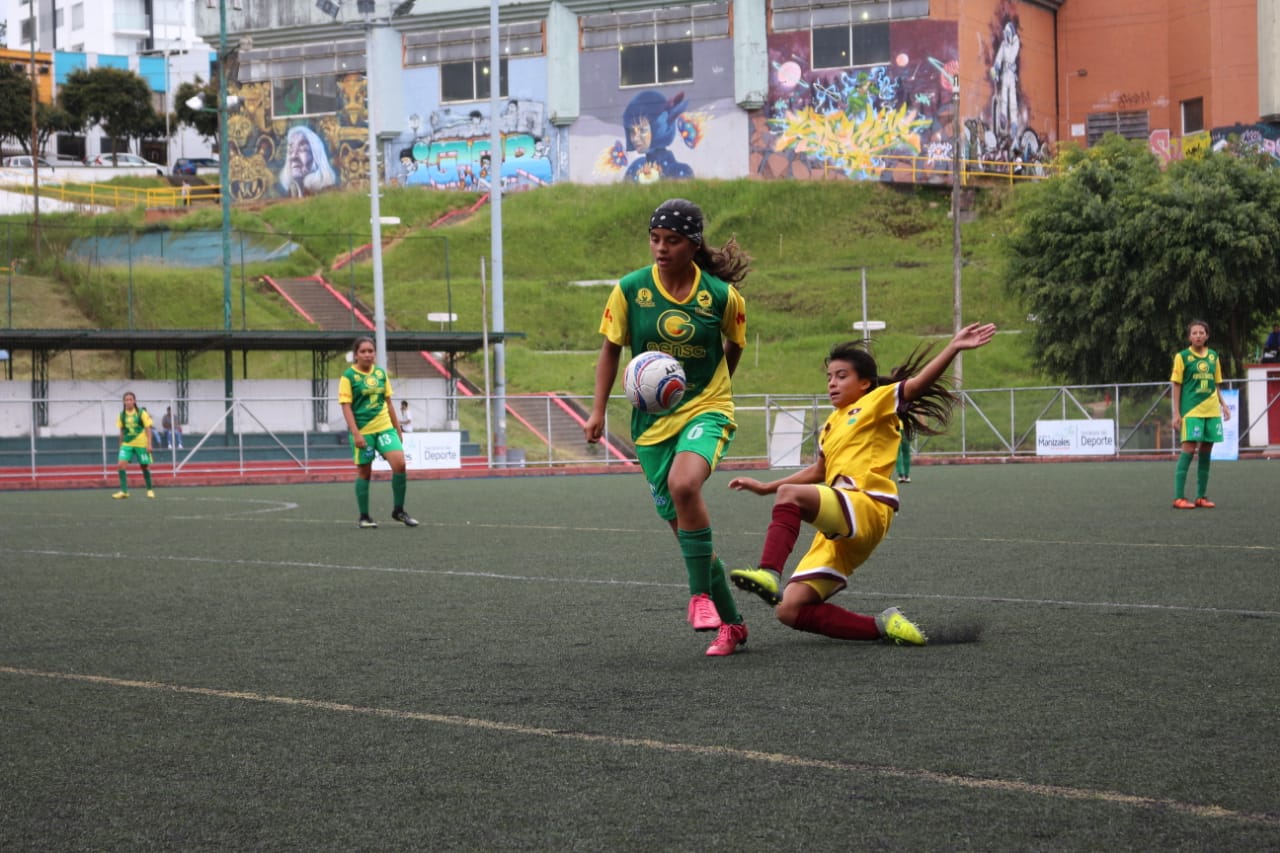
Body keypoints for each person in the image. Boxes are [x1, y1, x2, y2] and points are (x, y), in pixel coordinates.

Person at [727, 323, 998, 646]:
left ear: (865, 383)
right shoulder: (831, 423)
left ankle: (769, 574)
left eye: (841, 376)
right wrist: (764, 487)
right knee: (789, 610)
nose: (832, 383)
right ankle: (884, 625)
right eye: (829, 377)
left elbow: (917, 385)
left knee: (791, 497)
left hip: (867, 504)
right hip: (840, 526)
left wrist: (953, 347)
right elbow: (819, 470)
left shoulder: (877, 401)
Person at [583, 198, 751, 657]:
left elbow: (734, 344)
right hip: (651, 427)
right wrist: (597, 411)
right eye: (655, 239)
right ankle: (732, 625)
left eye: (671, 241)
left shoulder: (720, 295)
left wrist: (716, 389)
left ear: (693, 244)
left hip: (706, 408)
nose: (660, 248)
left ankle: (699, 598)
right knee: (691, 536)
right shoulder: (629, 289)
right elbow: (609, 351)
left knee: (684, 484)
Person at [338, 336, 419, 529]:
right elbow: (346, 407)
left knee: (400, 463)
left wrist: (397, 428)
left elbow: (389, 402)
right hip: (364, 431)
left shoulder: (381, 374)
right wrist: (356, 433)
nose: (367, 354)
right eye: (363, 351)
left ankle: (399, 510)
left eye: (370, 351)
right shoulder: (348, 377)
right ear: (356, 355)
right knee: (365, 472)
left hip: (384, 427)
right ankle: (364, 516)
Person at [1171, 319, 1230, 509]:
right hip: (1191, 411)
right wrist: (1176, 412)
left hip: (1211, 410)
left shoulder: (1213, 356)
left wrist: (1224, 405)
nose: (1198, 335)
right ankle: (1179, 497)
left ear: (1207, 336)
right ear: (1189, 336)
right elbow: (1176, 385)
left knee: (1206, 452)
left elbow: (1215, 383)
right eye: (1194, 333)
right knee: (1188, 450)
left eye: (1201, 332)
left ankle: (1201, 497)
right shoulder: (1182, 357)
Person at [113, 391, 156, 499]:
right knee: (120, 465)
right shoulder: (121, 415)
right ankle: (124, 491)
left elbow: (148, 428)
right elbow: (122, 431)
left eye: (130, 399)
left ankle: (150, 490)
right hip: (127, 444)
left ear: (134, 401)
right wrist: (120, 446)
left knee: (144, 466)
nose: (128, 401)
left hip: (141, 444)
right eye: (126, 400)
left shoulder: (141, 413)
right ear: (123, 402)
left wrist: (149, 444)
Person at [279, 125, 337, 197]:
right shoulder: (290, 198)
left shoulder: (327, 195)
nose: (293, 156)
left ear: (317, 157)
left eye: (303, 149)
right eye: (291, 150)